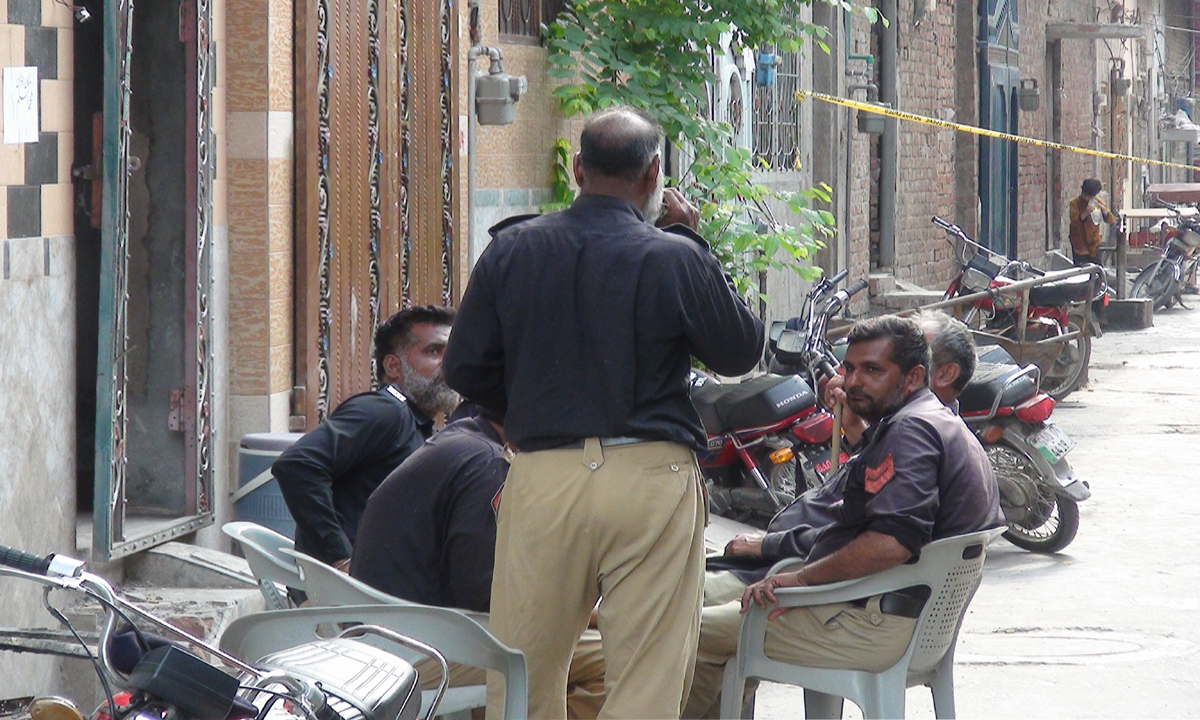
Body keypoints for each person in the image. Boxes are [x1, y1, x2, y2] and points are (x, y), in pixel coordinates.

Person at [443, 106, 765, 719]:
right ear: (653, 176)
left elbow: (464, 368)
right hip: (650, 477)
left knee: (523, 671)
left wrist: (527, 414)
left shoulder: (511, 249)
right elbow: (739, 350)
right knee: (647, 674)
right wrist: (691, 237)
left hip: (543, 476)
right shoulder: (675, 257)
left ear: (578, 169)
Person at [684, 315, 1003, 718]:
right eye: (849, 368)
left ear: (913, 377)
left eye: (872, 370)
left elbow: (891, 542)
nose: (853, 382)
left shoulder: (913, 431)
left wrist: (798, 580)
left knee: (680, 634)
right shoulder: (934, 421)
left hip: (871, 624)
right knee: (705, 633)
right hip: (891, 617)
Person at [351, 412, 607, 719]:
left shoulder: (458, 441)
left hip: (382, 633)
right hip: (416, 650)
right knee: (609, 658)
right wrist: (585, 612)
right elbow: (485, 594)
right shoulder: (486, 462)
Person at [273, 305, 457, 573]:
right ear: (394, 366)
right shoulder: (386, 411)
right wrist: (341, 559)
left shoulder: (420, 425)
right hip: (355, 601)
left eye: (450, 352)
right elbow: (297, 465)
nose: (448, 363)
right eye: (434, 351)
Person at [1069, 178, 1118, 267]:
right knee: (1082, 271)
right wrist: (1085, 213)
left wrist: (1104, 212)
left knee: (1096, 271)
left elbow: (1111, 220)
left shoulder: (1097, 202)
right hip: (1080, 246)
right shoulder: (1075, 204)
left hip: (1094, 245)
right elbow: (1075, 224)